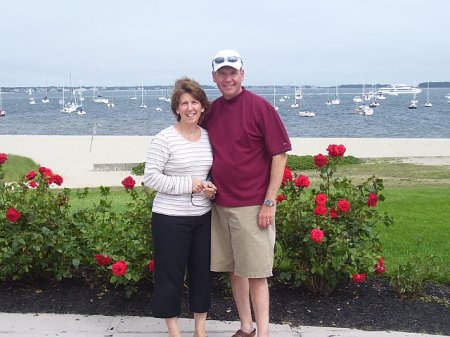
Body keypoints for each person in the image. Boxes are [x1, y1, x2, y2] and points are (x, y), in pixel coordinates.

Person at [202, 49, 292, 337]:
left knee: (256, 273)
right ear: (214, 77)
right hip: (221, 205)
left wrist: (269, 202)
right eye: (222, 73)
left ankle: (263, 332)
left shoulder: (260, 107)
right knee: (235, 270)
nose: (228, 78)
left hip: (253, 206)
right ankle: (246, 327)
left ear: (242, 74)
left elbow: (280, 156)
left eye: (233, 72)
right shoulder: (212, 111)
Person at [144, 77, 217, 337]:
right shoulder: (164, 139)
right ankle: (174, 331)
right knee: (170, 276)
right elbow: (150, 177)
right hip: (169, 218)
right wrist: (188, 184)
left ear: (202, 107)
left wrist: (209, 188)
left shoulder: (209, 137)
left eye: (194, 102)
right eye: (184, 103)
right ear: (176, 108)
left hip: (202, 217)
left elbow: (207, 175)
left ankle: (200, 329)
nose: (189, 108)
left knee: (201, 275)